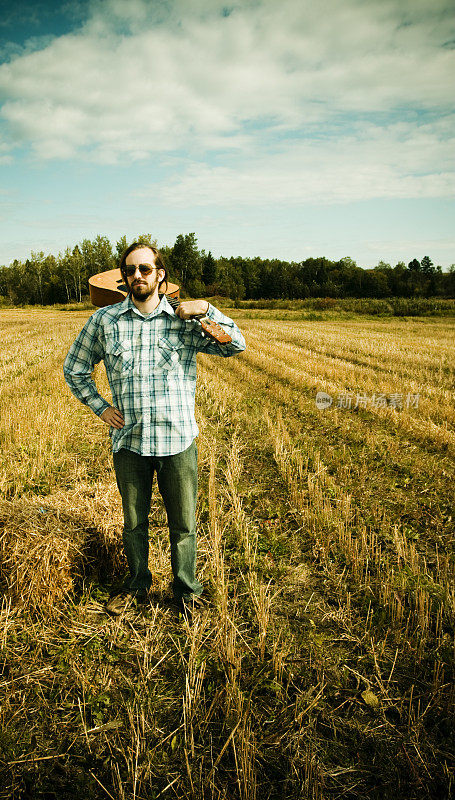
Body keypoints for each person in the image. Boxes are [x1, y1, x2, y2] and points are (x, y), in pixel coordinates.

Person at [63, 241, 246, 616]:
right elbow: (75, 369)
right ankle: (137, 587)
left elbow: (236, 346)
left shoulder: (184, 321)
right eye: (130, 270)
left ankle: (186, 592)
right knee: (134, 524)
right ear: (124, 277)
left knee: (183, 524)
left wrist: (208, 309)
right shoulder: (105, 321)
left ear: (159, 274)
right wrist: (101, 408)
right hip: (129, 442)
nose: (138, 276)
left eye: (145, 269)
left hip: (177, 440)